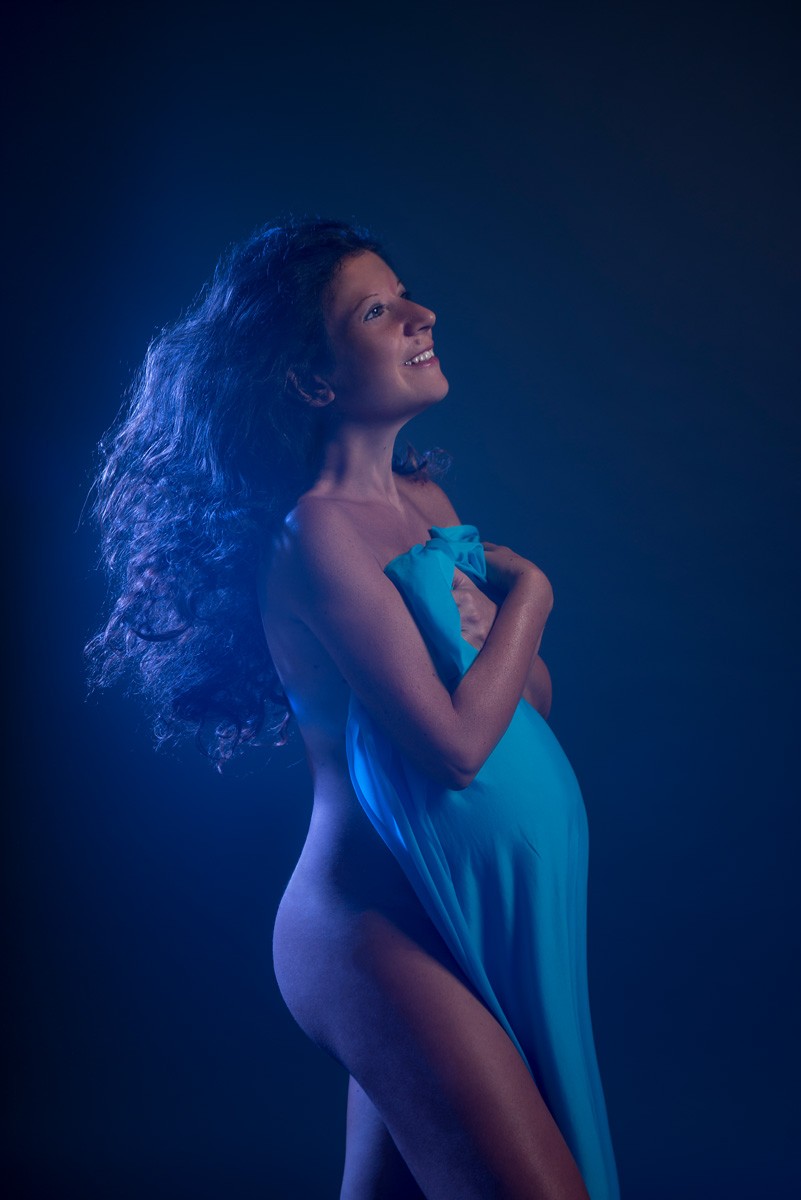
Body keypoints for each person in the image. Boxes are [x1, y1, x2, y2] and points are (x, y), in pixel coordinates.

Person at [88, 219, 620, 1199]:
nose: (422, 315)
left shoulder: (428, 502)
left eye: (405, 295)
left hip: (462, 920)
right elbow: (455, 746)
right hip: (375, 931)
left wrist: (493, 634)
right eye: (377, 312)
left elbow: (525, 707)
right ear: (311, 379)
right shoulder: (317, 533)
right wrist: (531, 600)